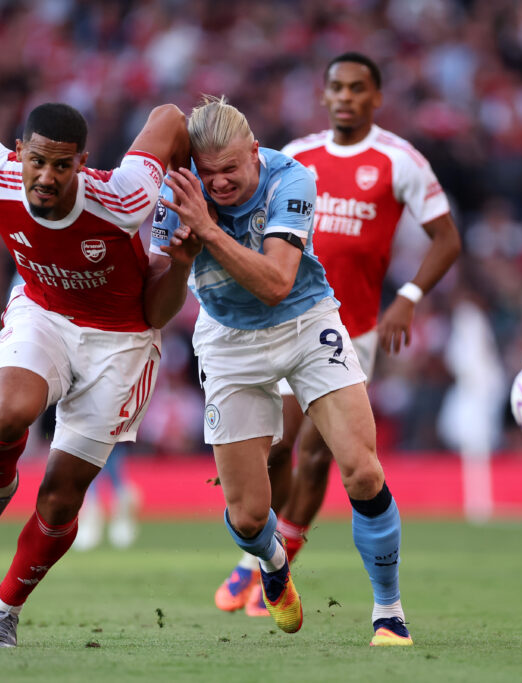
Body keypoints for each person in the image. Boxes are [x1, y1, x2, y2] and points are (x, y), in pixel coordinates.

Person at [0, 101, 191, 648]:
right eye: (38, 162)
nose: (47, 177)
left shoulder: (125, 196)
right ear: (19, 153)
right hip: (43, 311)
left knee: (61, 498)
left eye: (63, 166)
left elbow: (168, 117)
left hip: (120, 342)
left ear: (82, 164)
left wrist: (198, 181)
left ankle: (3, 609)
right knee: (7, 413)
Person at [150, 94, 414, 645]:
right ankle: (272, 565)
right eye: (209, 172)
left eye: (231, 169)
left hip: (305, 323)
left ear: (254, 152)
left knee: (363, 471)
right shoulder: (172, 194)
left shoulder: (291, 178)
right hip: (226, 342)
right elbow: (159, 307)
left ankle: (388, 611)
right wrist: (177, 266)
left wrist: (210, 230)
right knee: (248, 517)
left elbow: (276, 284)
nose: (219, 183)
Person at [212, 52, 462, 621]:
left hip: (356, 328)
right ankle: (263, 560)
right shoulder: (297, 157)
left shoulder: (400, 161)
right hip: (281, 322)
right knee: (277, 447)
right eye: (337, 88)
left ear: (376, 97)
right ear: (323, 96)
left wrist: (410, 297)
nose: (346, 96)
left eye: (358, 88)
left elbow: (446, 239)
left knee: (322, 453)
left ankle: (284, 560)